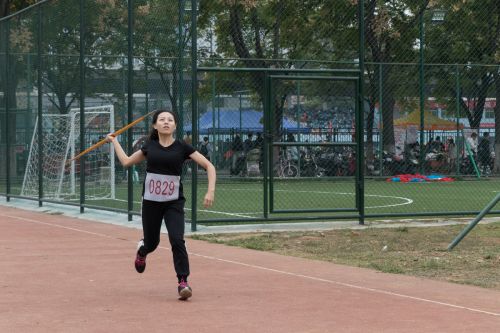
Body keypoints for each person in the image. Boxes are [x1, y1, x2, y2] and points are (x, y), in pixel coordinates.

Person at [106, 109, 216, 301]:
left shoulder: (183, 147)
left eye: (170, 120)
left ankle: (183, 281)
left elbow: (209, 166)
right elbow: (125, 162)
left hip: (173, 202)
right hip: (151, 202)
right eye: (162, 120)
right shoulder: (150, 146)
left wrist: (211, 191)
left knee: (177, 239)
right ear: (155, 126)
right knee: (152, 242)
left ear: (175, 126)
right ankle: (142, 250)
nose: (166, 122)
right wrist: (114, 141)